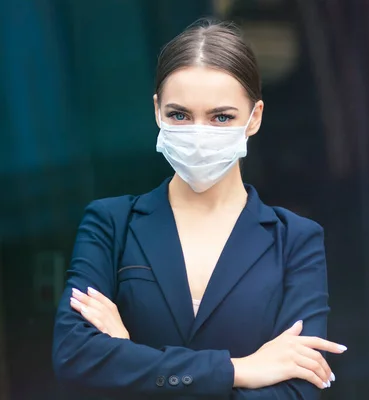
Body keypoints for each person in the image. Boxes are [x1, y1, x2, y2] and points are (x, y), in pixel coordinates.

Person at [52, 20, 345, 399]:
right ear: (157, 111)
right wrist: (238, 369)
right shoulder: (110, 225)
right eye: (180, 115)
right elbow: (75, 358)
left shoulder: (295, 241)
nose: (199, 134)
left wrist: (130, 357)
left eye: (221, 117)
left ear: (253, 118)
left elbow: (296, 392)